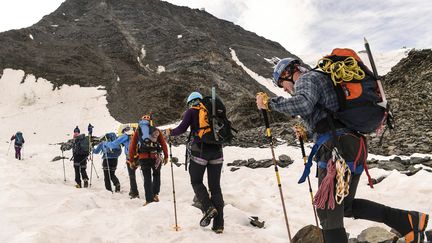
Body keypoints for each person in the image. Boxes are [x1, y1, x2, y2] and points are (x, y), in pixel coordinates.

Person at [256, 57, 429, 242]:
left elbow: (303, 104)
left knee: (328, 208)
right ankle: (407, 220)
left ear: (288, 73)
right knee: (344, 205)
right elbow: (326, 115)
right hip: (352, 145)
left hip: (336, 148)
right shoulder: (322, 80)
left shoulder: (306, 79)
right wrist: (307, 133)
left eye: (281, 82)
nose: (283, 88)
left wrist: (270, 103)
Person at [165, 92, 225, 234]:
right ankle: (219, 225)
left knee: (196, 181)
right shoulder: (213, 110)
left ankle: (208, 207)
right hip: (217, 152)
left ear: (190, 102)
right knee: (215, 187)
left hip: (200, 153)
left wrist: (169, 132)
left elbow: (181, 129)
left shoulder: (191, 111)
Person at [129, 114, 168, 206]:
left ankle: (149, 200)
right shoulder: (157, 131)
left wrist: (131, 160)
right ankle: (155, 194)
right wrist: (166, 156)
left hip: (143, 157)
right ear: (151, 122)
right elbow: (163, 144)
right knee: (156, 175)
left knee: (147, 178)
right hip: (155, 157)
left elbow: (132, 146)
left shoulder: (138, 131)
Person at [106, 124, 139, 199]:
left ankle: (134, 193)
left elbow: (113, 145)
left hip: (130, 159)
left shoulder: (125, 136)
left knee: (132, 176)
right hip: (139, 157)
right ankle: (135, 190)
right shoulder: (136, 133)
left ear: (124, 130)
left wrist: (105, 143)